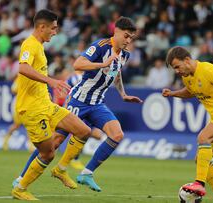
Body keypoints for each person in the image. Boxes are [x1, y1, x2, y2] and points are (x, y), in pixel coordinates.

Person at [52, 16, 142, 192]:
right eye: (126, 36)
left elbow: (115, 74)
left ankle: (86, 173)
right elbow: (78, 64)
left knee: (117, 135)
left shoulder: (125, 55)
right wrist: (102, 63)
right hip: (78, 99)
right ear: (116, 32)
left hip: (97, 103)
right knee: (55, 142)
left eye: (132, 38)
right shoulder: (100, 46)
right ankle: (22, 179)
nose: (129, 40)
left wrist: (123, 94)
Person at [10, 9, 92, 201]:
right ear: (42, 27)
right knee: (47, 153)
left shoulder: (39, 46)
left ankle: (61, 170)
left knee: (83, 130)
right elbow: (22, 68)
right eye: (53, 28)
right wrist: (51, 81)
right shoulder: (29, 44)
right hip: (32, 109)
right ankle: (20, 188)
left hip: (46, 105)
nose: (55, 32)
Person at [163, 46, 213, 203]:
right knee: (201, 160)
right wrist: (172, 93)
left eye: (177, 67)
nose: (177, 71)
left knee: (203, 137)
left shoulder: (208, 69)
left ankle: (199, 184)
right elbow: (190, 91)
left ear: (187, 60)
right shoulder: (187, 76)